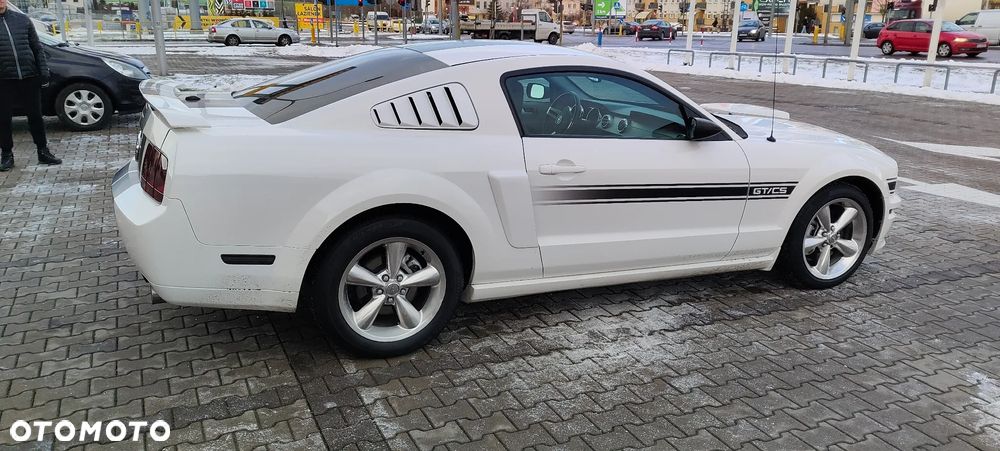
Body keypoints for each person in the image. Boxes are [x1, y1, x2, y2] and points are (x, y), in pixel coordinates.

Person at [0, 0, 62, 172]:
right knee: (3, 119)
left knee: (35, 116)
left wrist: (43, 71)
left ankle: (43, 151)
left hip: (29, 76)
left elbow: (37, 47)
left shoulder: (22, 19)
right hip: (4, 79)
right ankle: (6, 155)